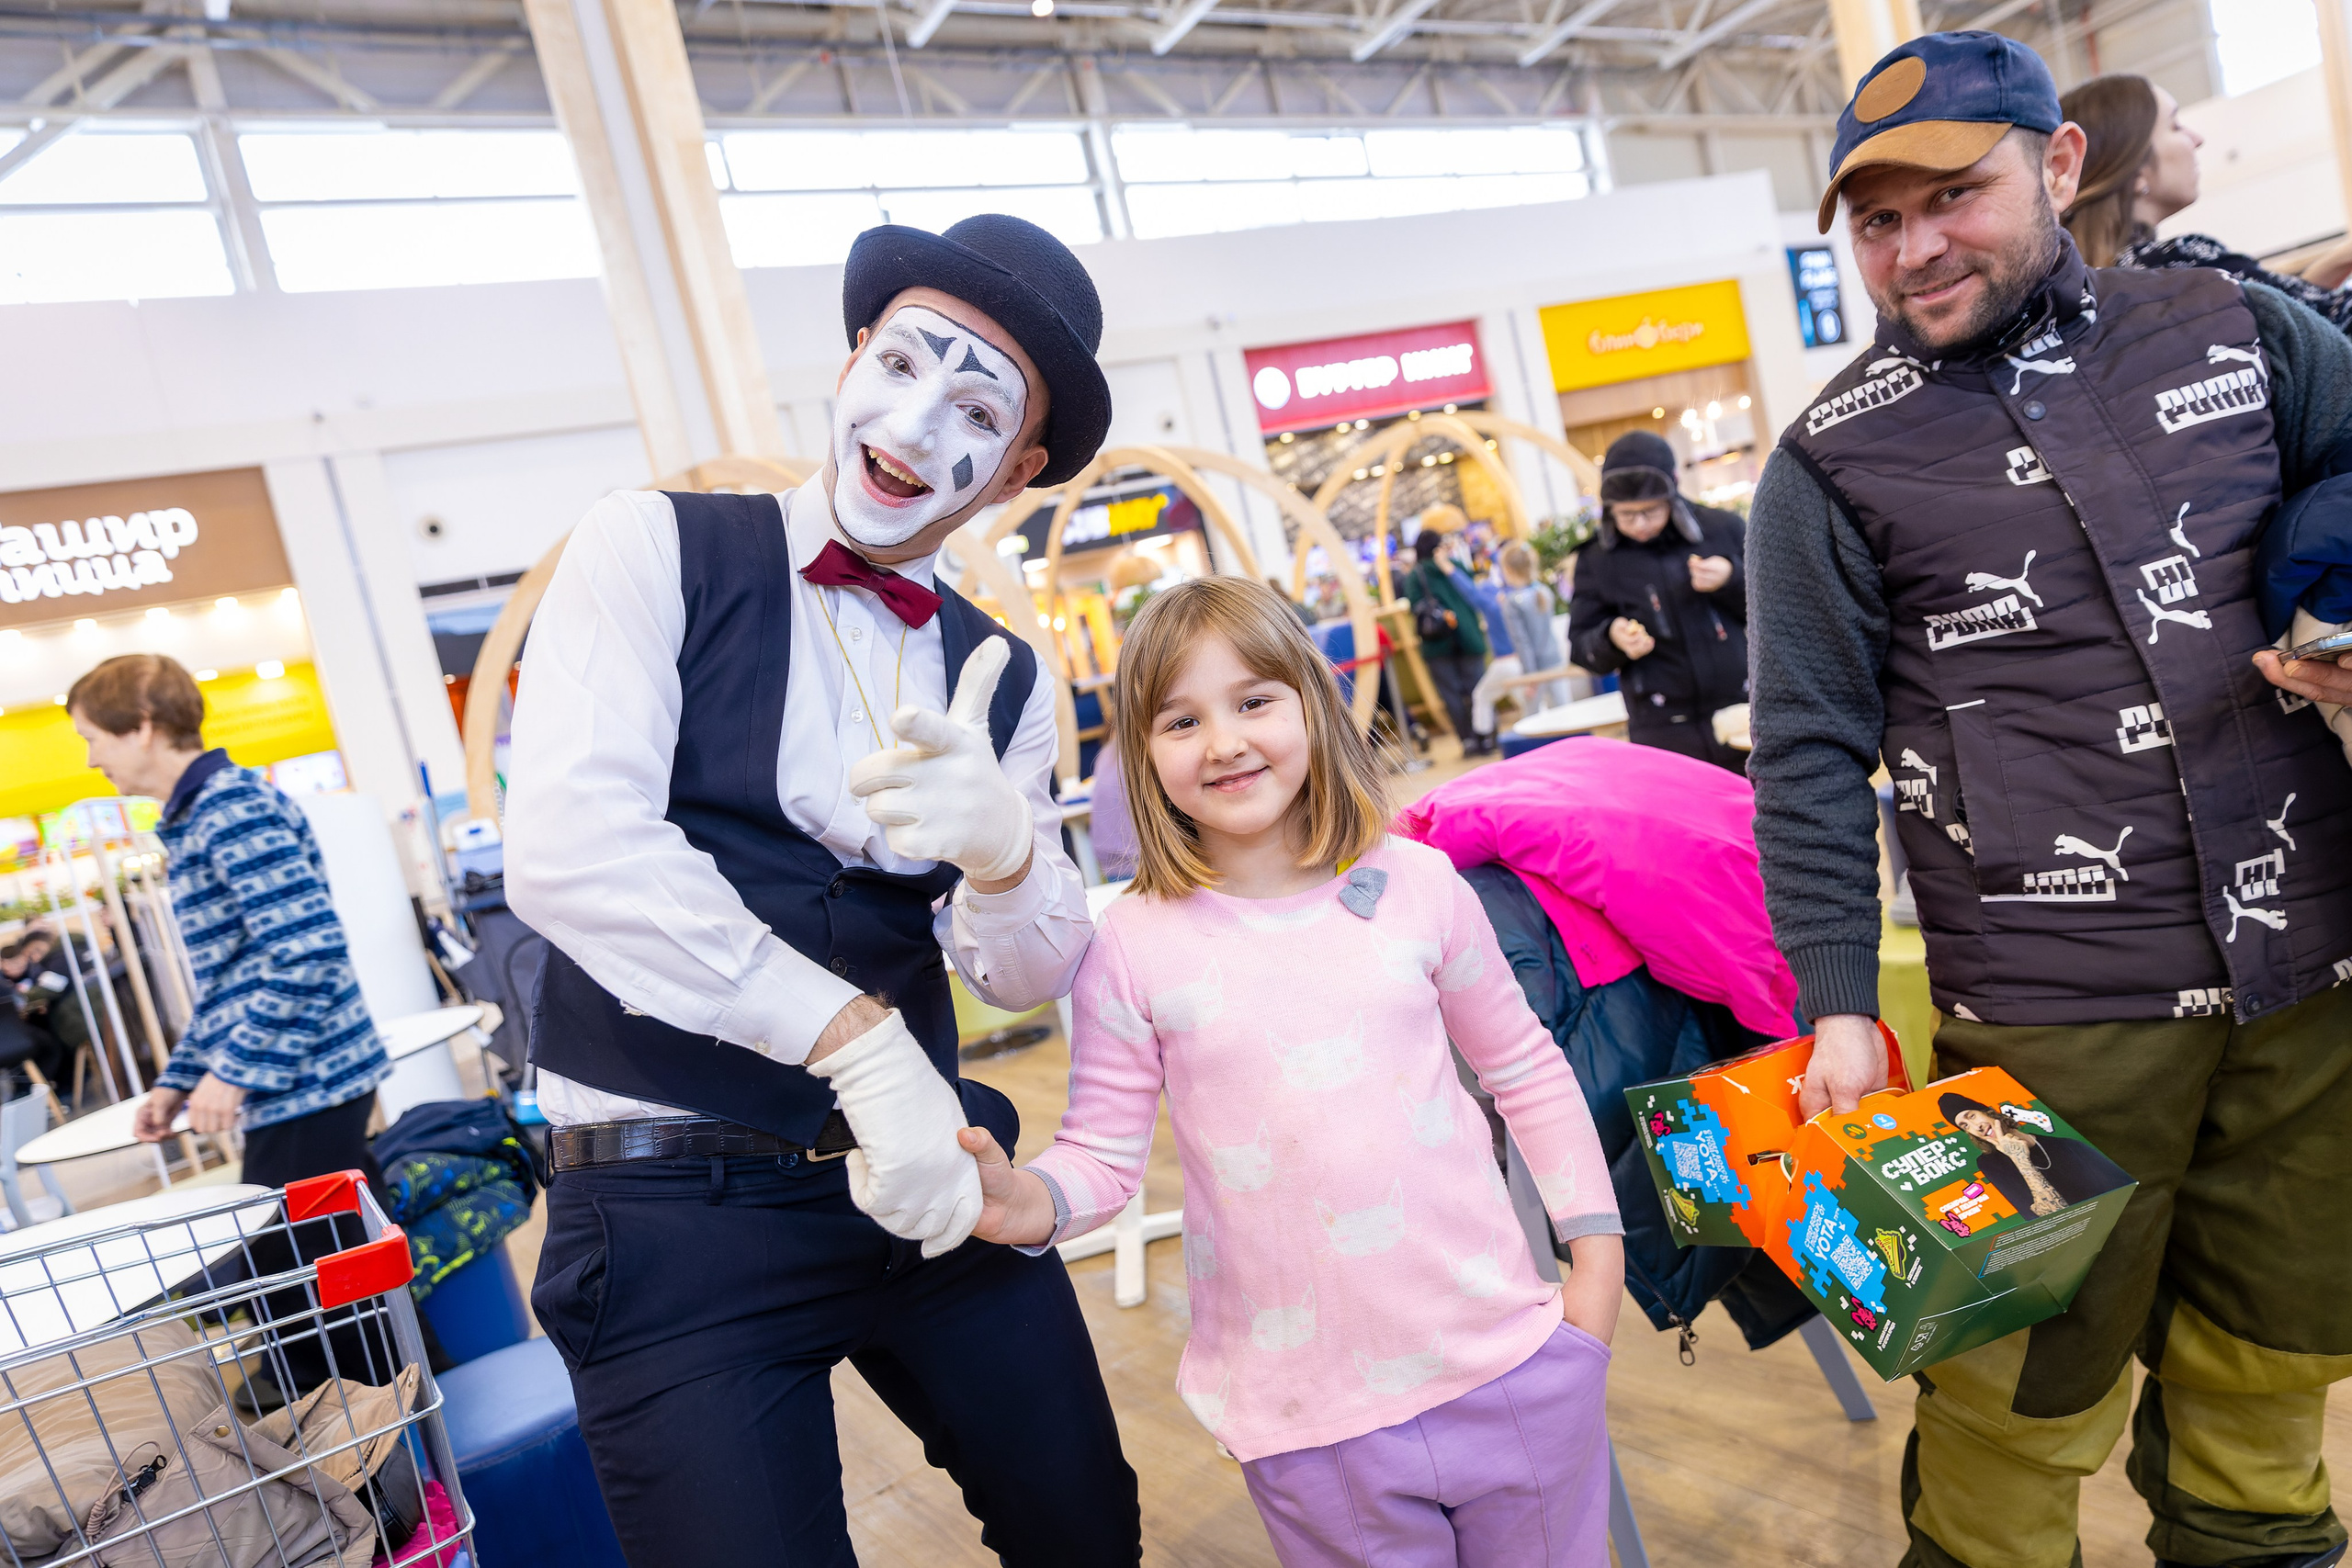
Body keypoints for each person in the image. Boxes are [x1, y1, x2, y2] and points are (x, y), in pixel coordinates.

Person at [1748, 31, 2352, 1568]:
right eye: (1878, 220)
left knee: (2275, 1359)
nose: (1914, 245)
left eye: (1952, 195)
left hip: (2310, 976)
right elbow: (1808, 748)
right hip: (2051, 1020)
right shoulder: (1828, 463)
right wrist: (1832, 997)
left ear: (2059, 165)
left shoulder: (2234, 327)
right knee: (2008, 1403)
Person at [502, 214, 1140, 1565]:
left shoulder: (1009, 677)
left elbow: (1022, 971)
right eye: (903, 361)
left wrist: (1006, 856)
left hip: (937, 1183)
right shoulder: (646, 549)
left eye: (975, 405)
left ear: (1017, 467)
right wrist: (855, 1046)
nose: (916, 423)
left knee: (1087, 1528)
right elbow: (568, 845)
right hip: (675, 1219)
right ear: (854, 353)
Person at [961, 577, 1624, 1567]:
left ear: (1312, 704)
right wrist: (1028, 1201)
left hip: (1512, 1368)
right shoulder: (1130, 947)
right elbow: (1101, 1153)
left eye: (1254, 700)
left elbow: (1524, 1068)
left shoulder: (1418, 884)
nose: (1224, 741)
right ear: (1139, 758)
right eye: (1181, 718)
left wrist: (1595, 1274)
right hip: (1309, 1425)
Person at [67, 652, 392, 1399]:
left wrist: (233, 1070)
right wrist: (181, 1079)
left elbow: (305, 951)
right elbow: (236, 976)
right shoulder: (199, 815)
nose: (92, 761)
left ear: (142, 727)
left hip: (310, 1080)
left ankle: (368, 1439)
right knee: (335, 1265)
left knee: (298, 1284)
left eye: (96, 739)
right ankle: (398, 1401)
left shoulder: (231, 808)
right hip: (297, 1079)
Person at [2060, 73, 2352, 332]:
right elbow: (2329, 320)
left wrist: (2338, 259)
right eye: (2175, 126)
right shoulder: (2178, 268)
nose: (2197, 139)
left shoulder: (2094, 288)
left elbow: (2286, 307)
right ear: (2136, 171)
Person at [1566, 431, 1749, 773]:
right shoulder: (1597, 559)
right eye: (1625, 515)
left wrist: (1731, 579)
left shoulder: (1722, 530)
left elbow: (1779, 613)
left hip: (1743, 716)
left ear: (1673, 493)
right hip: (1661, 731)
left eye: (1650, 511)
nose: (1639, 525)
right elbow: (1581, 647)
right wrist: (1611, 639)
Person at [1938, 1093, 2128, 1217]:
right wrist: (2020, 1160)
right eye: (1965, 1126)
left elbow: (2122, 1192)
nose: (1976, 1127)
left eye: (1971, 1116)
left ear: (1987, 1112)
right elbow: (2054, 1218)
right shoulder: (1991, 1165)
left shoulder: (2067, 1145)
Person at [1401, 521, 1493, 753]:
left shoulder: (1415, 576)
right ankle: (1487, 736)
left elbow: (1415, 606)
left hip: (1436, 644)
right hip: (1467, 636)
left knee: (1451, 695)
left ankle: (1468, 741)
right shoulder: (1454, 566)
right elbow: (1474, 591)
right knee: (1478, 689)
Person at [1496, 540, 1569, 713]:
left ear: (1508, 570)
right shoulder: (1543, 591)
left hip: (1535, 668)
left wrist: (1530, 677)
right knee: (1566, 709)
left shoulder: (1512, 603)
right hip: (1555, 659)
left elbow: (1522, 642)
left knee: (1532, 717)